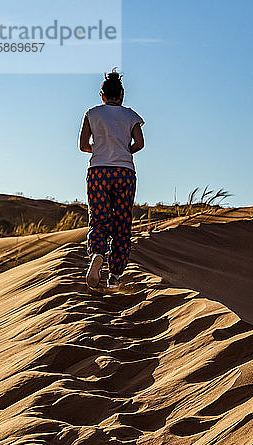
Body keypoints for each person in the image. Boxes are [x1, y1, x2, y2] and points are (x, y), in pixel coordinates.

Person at [79, 68, 145, 289]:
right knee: (122, 223)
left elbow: (82, 145)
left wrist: (99, 151)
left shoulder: (92, 113)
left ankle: (97, 253)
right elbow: (140, 143)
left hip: (98, 171)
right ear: (122, 95)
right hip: (124, 172)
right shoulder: (131, 115)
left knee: (99, 219)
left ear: (102, 95)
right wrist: (124, 151)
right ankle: (115, 275)